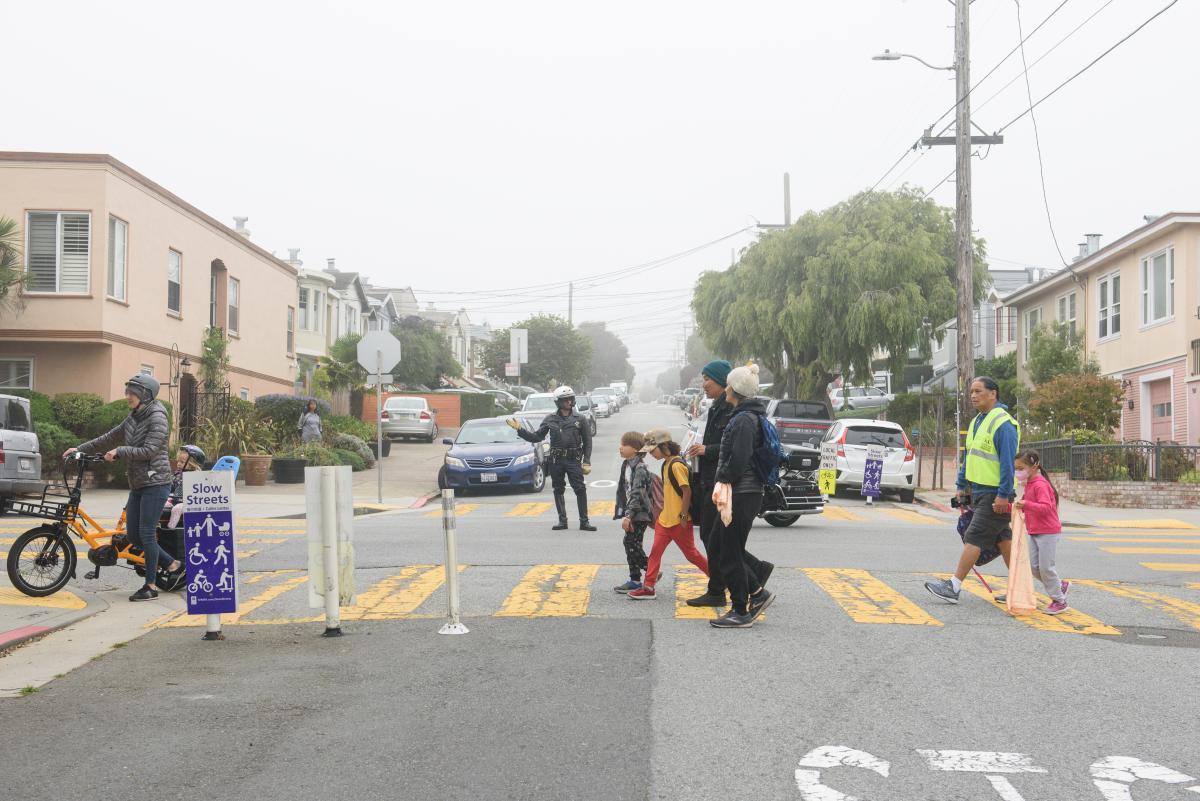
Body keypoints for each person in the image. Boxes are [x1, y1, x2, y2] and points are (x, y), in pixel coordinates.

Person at [65, 375, 180, 602]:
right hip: (138, 483)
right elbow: (109, 437)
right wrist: (78, 448)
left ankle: (150, 586)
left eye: (132, 393)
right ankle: (173, 564)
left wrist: (120, 451)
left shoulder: (158, 417)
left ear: (145, 395)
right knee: (135, 536)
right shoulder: (134, 416)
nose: (127, 396)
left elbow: (150, 450)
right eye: (128, 391)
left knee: (146, 533)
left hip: (156, 482)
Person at [683, 359, 772, 607]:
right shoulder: (722, 408)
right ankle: (738, 584)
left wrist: (713, 462)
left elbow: (736, 452)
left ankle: (750, 589)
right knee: (717, 540)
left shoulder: (740, 416)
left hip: (729, 487)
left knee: (720, 542)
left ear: (727, 385)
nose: (704, 384)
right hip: (717, 481)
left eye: (707, 379)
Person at [925, 376, 1019, 604]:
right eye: (971, 392)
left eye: (978, 391)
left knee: (974, 536)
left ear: (993, 393)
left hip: (995, 494)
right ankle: (1024, 588)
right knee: (1003, 540)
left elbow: (1008, 464)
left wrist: (1003, 495)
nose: (973, 396)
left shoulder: (1003, 424)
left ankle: (954, 586)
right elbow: (969, 459)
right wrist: (960, 486)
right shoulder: (978, 421)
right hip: (979, 492)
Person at [706, 363, 775, 627]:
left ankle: (741, 609)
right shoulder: (745, 415)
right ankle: (757, 593)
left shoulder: (744, 419)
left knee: (729, 552)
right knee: (724, 547)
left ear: (733, 389)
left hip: (742, 492)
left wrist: (723, 477)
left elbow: (740, 458)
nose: (725, 389)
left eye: (727, 385)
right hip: (742, 491)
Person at [627, 429, 708, 599]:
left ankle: (718, 579)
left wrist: (684, 516)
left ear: (664, 446)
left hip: (679, 521)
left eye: (653, 450)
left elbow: (687, 492)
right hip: (664, 520)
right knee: (655, 552)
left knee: (692, 555)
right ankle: (648, 587)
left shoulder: (676, 465)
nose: (651, 454)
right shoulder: (666, 463)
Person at [509, 385, 595, 531]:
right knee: (558, 489)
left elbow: (588, 441)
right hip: (556, 460)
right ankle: (562, 521)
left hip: (574, 460)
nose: (569, 402)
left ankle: (584, 521)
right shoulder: (550, 419)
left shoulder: (580, 419)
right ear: (558, 402)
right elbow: (537, 437)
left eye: (570, 399)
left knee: (580, 489)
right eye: (565, 399)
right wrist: (520, 430)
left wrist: (586, 460)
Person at [1014, 449, 1068, 613]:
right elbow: (1030, 505)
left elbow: (1046, 508)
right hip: (1034, 531)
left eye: (1021, 468)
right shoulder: (1029, 484)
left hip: (1048, 532)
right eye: (1016, 468)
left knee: (1046, 568)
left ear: (1034, 466)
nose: (1018, 472)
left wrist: (1026, 505)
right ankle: (1059, 586)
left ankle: (1059, 601)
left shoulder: (1040, 484)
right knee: (1034, 567)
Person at [612, 431, 652, 593]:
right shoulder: (627, 465)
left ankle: (651, 570)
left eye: (624, 445)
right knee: (632, 544)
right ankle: (635, 580)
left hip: (639, 514)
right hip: (632, 511)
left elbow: (637, 493)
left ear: (635, 449)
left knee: (630, 543)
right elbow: (624, 490)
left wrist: (629, 516)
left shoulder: (640, 468)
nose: (620, 448)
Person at [163, 444, 207, 529]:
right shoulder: (178, 474)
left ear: (192, 463)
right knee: (160, 503)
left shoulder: (197, 476)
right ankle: (158, 528)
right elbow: (171, 485)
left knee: (177, 509)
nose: (178, 464)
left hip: (191, 503)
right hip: (176, 499)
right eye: (178, 461)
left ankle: (170, 529)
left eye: (182, 462)